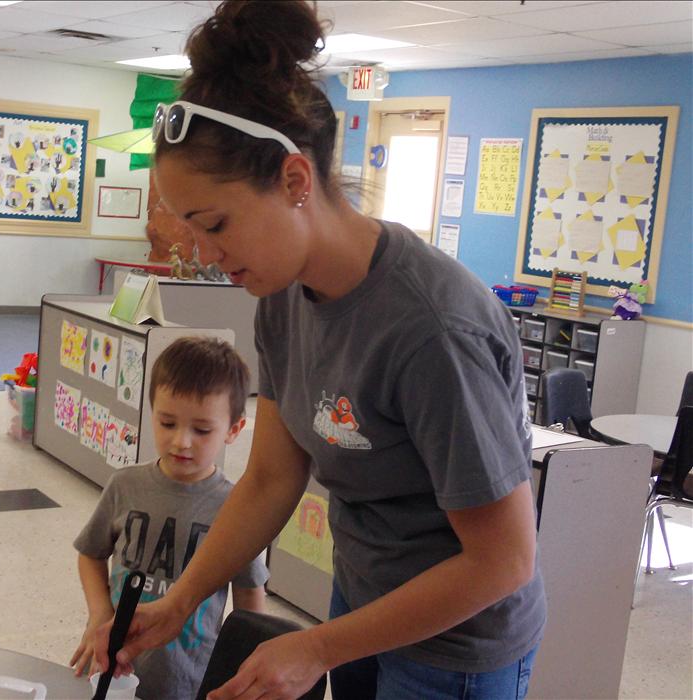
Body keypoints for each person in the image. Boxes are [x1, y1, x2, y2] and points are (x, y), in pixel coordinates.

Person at [92, 1, 546, 699]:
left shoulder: (431, 328)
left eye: (215, 225)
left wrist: (317, 648)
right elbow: (272, 477)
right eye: (189, 229)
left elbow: (503, 560)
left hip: (457, 642)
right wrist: (181, 599)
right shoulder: (281, 286)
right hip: (365, 601)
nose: (207, 257)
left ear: (295, 181)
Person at [71, 336, 269, 700]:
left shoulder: (238, 509)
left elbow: (249, 601)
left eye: (202, 430)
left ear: (234, 430)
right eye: (167, 423)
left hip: (186, 676)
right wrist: (99, 613)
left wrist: (242, 668)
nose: (181, 441)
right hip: (109, 664)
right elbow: (90, 552)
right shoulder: (125, 484)